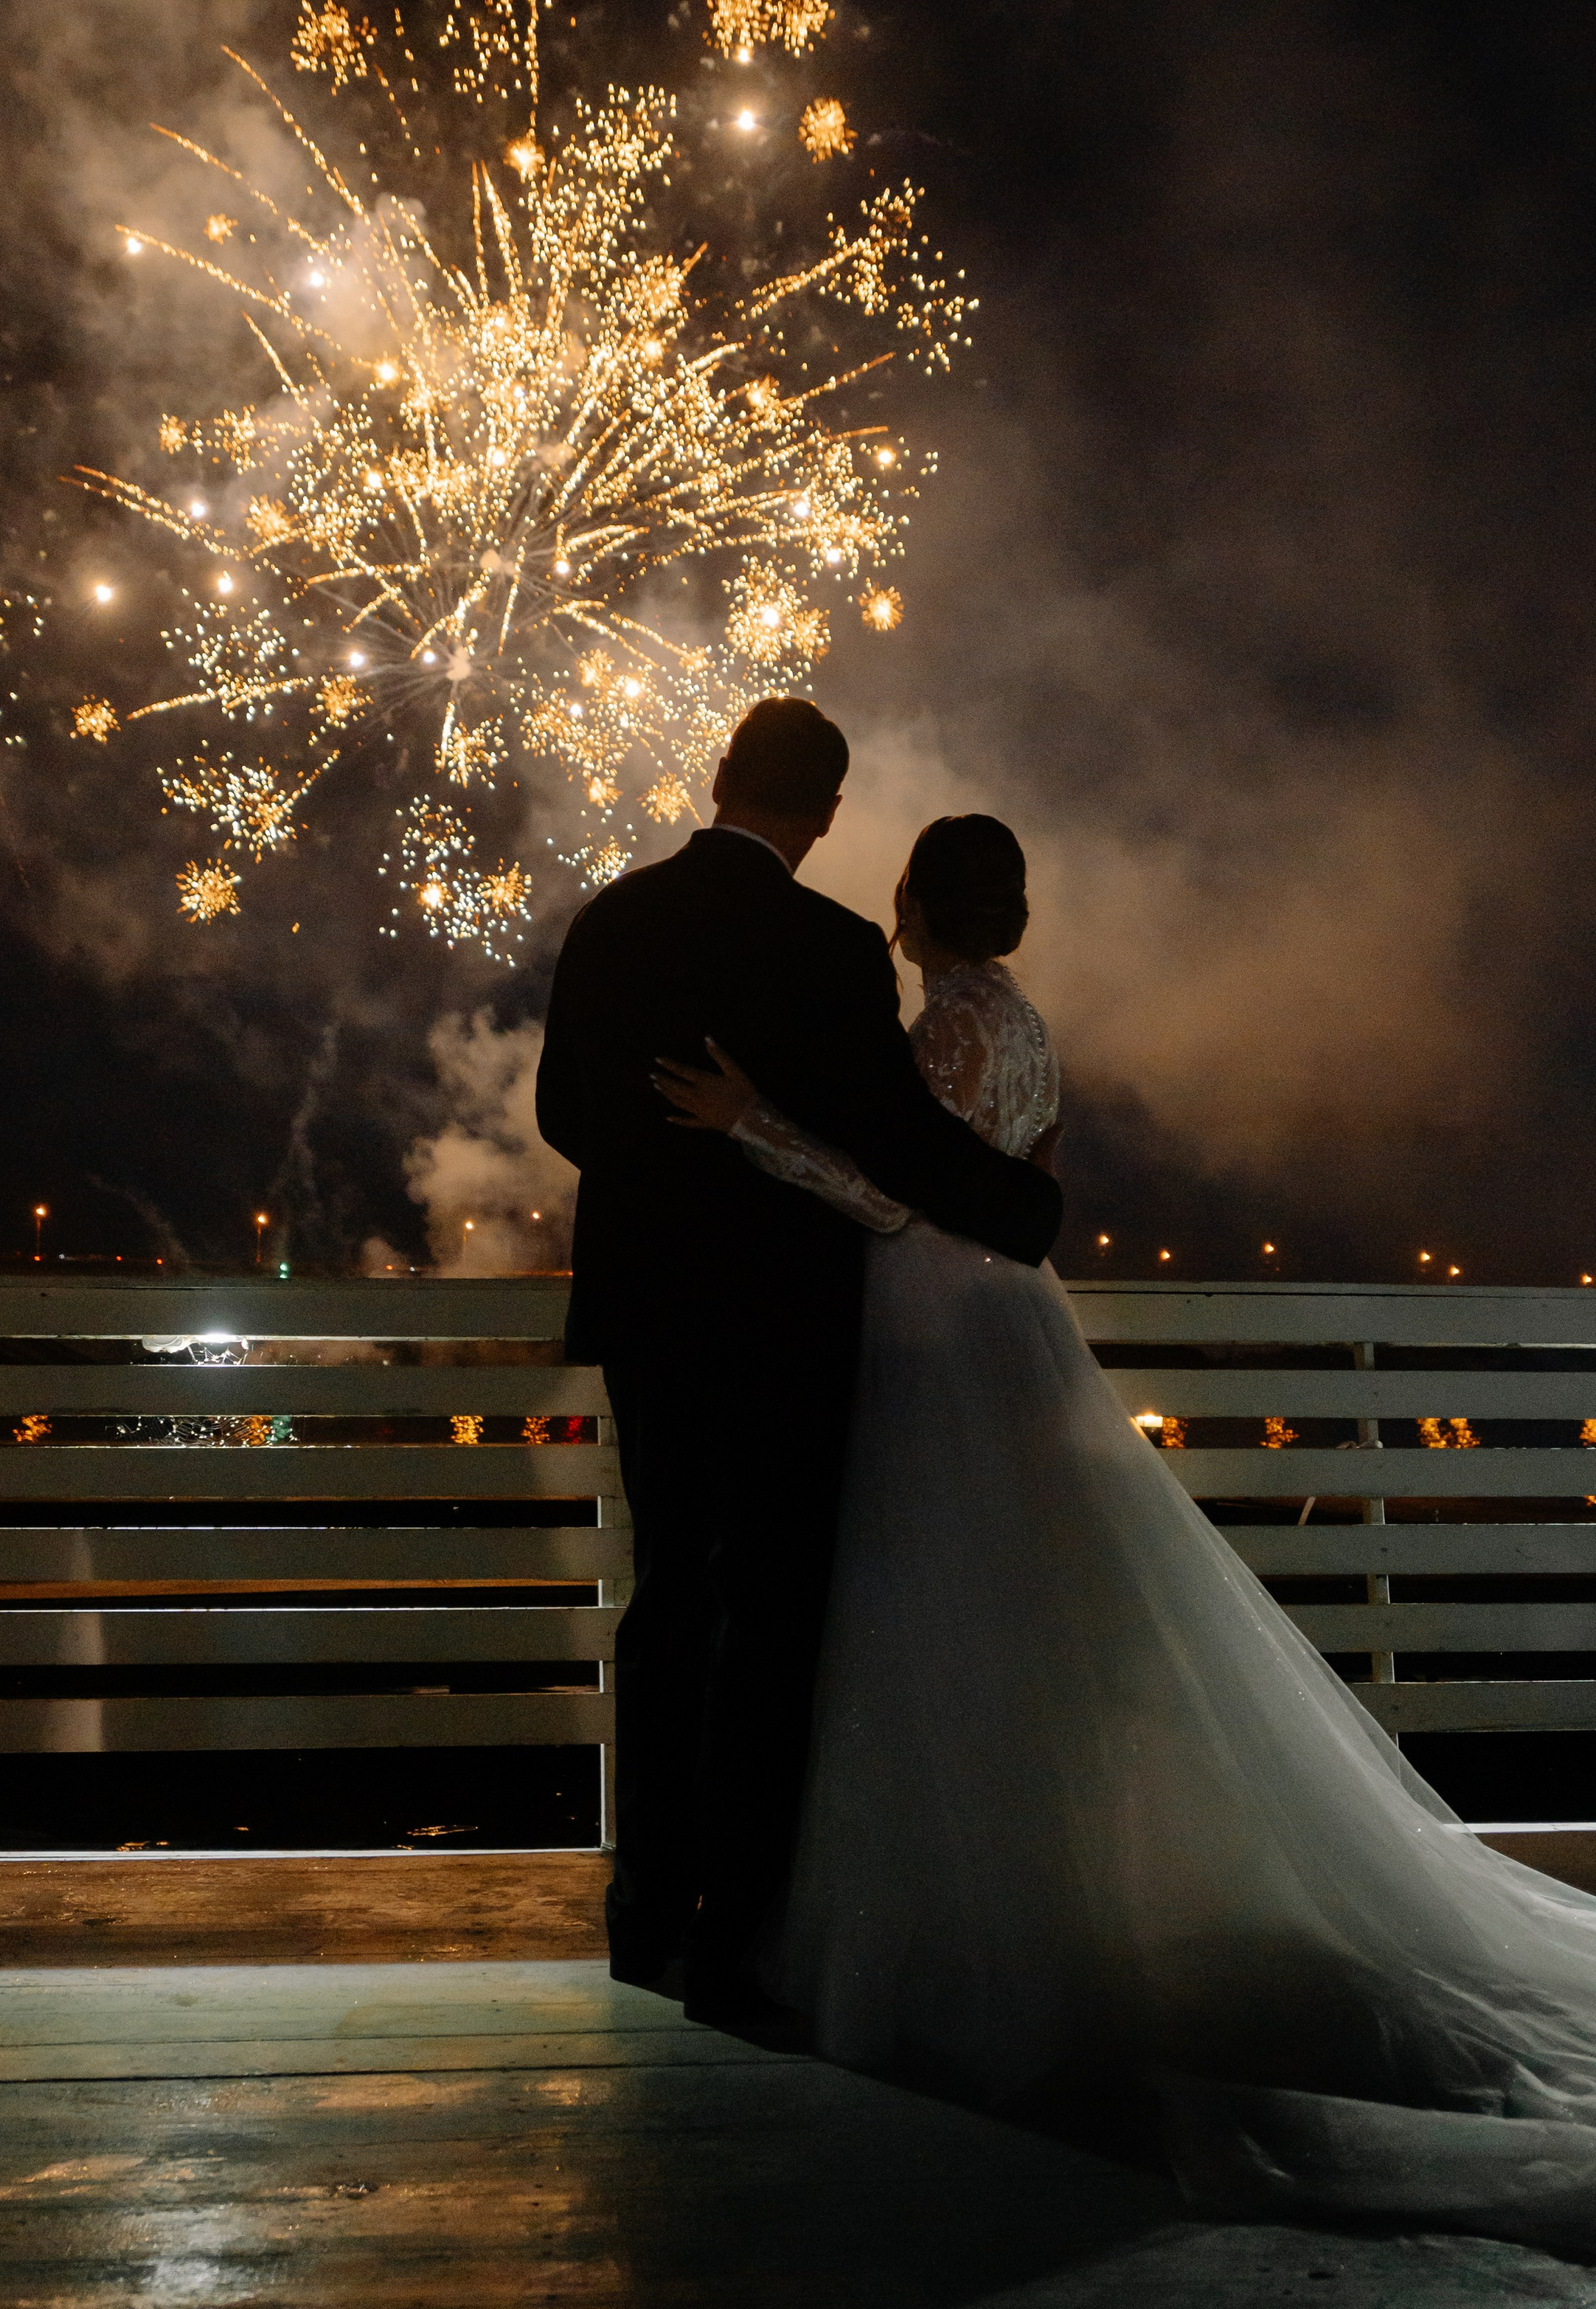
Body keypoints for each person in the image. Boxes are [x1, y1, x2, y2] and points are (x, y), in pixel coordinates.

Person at [656, 811, 1596, 2253]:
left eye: (899, 895)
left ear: (911, 905)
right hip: (1018, 1324)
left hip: (936, 1329)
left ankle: (965, 1941)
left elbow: (897, 1194)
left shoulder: (944, 1032)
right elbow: (1015, 1184)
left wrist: (753, 1127)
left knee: (935, 1605)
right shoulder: (1023, 1023)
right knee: (1028, 1610)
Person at [535, 702, 1062, 2021]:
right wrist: (1027, 1210)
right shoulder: (830, 950)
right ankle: (740, 1922)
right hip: (786, 1329)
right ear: (824, 814)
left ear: (718, 778)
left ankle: (641, 1903)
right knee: (771, 1617)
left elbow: (562, 1112)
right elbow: (895, 1141)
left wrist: (663, 1178)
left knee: (667, 1605)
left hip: (651, 1319)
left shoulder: (610, 921)